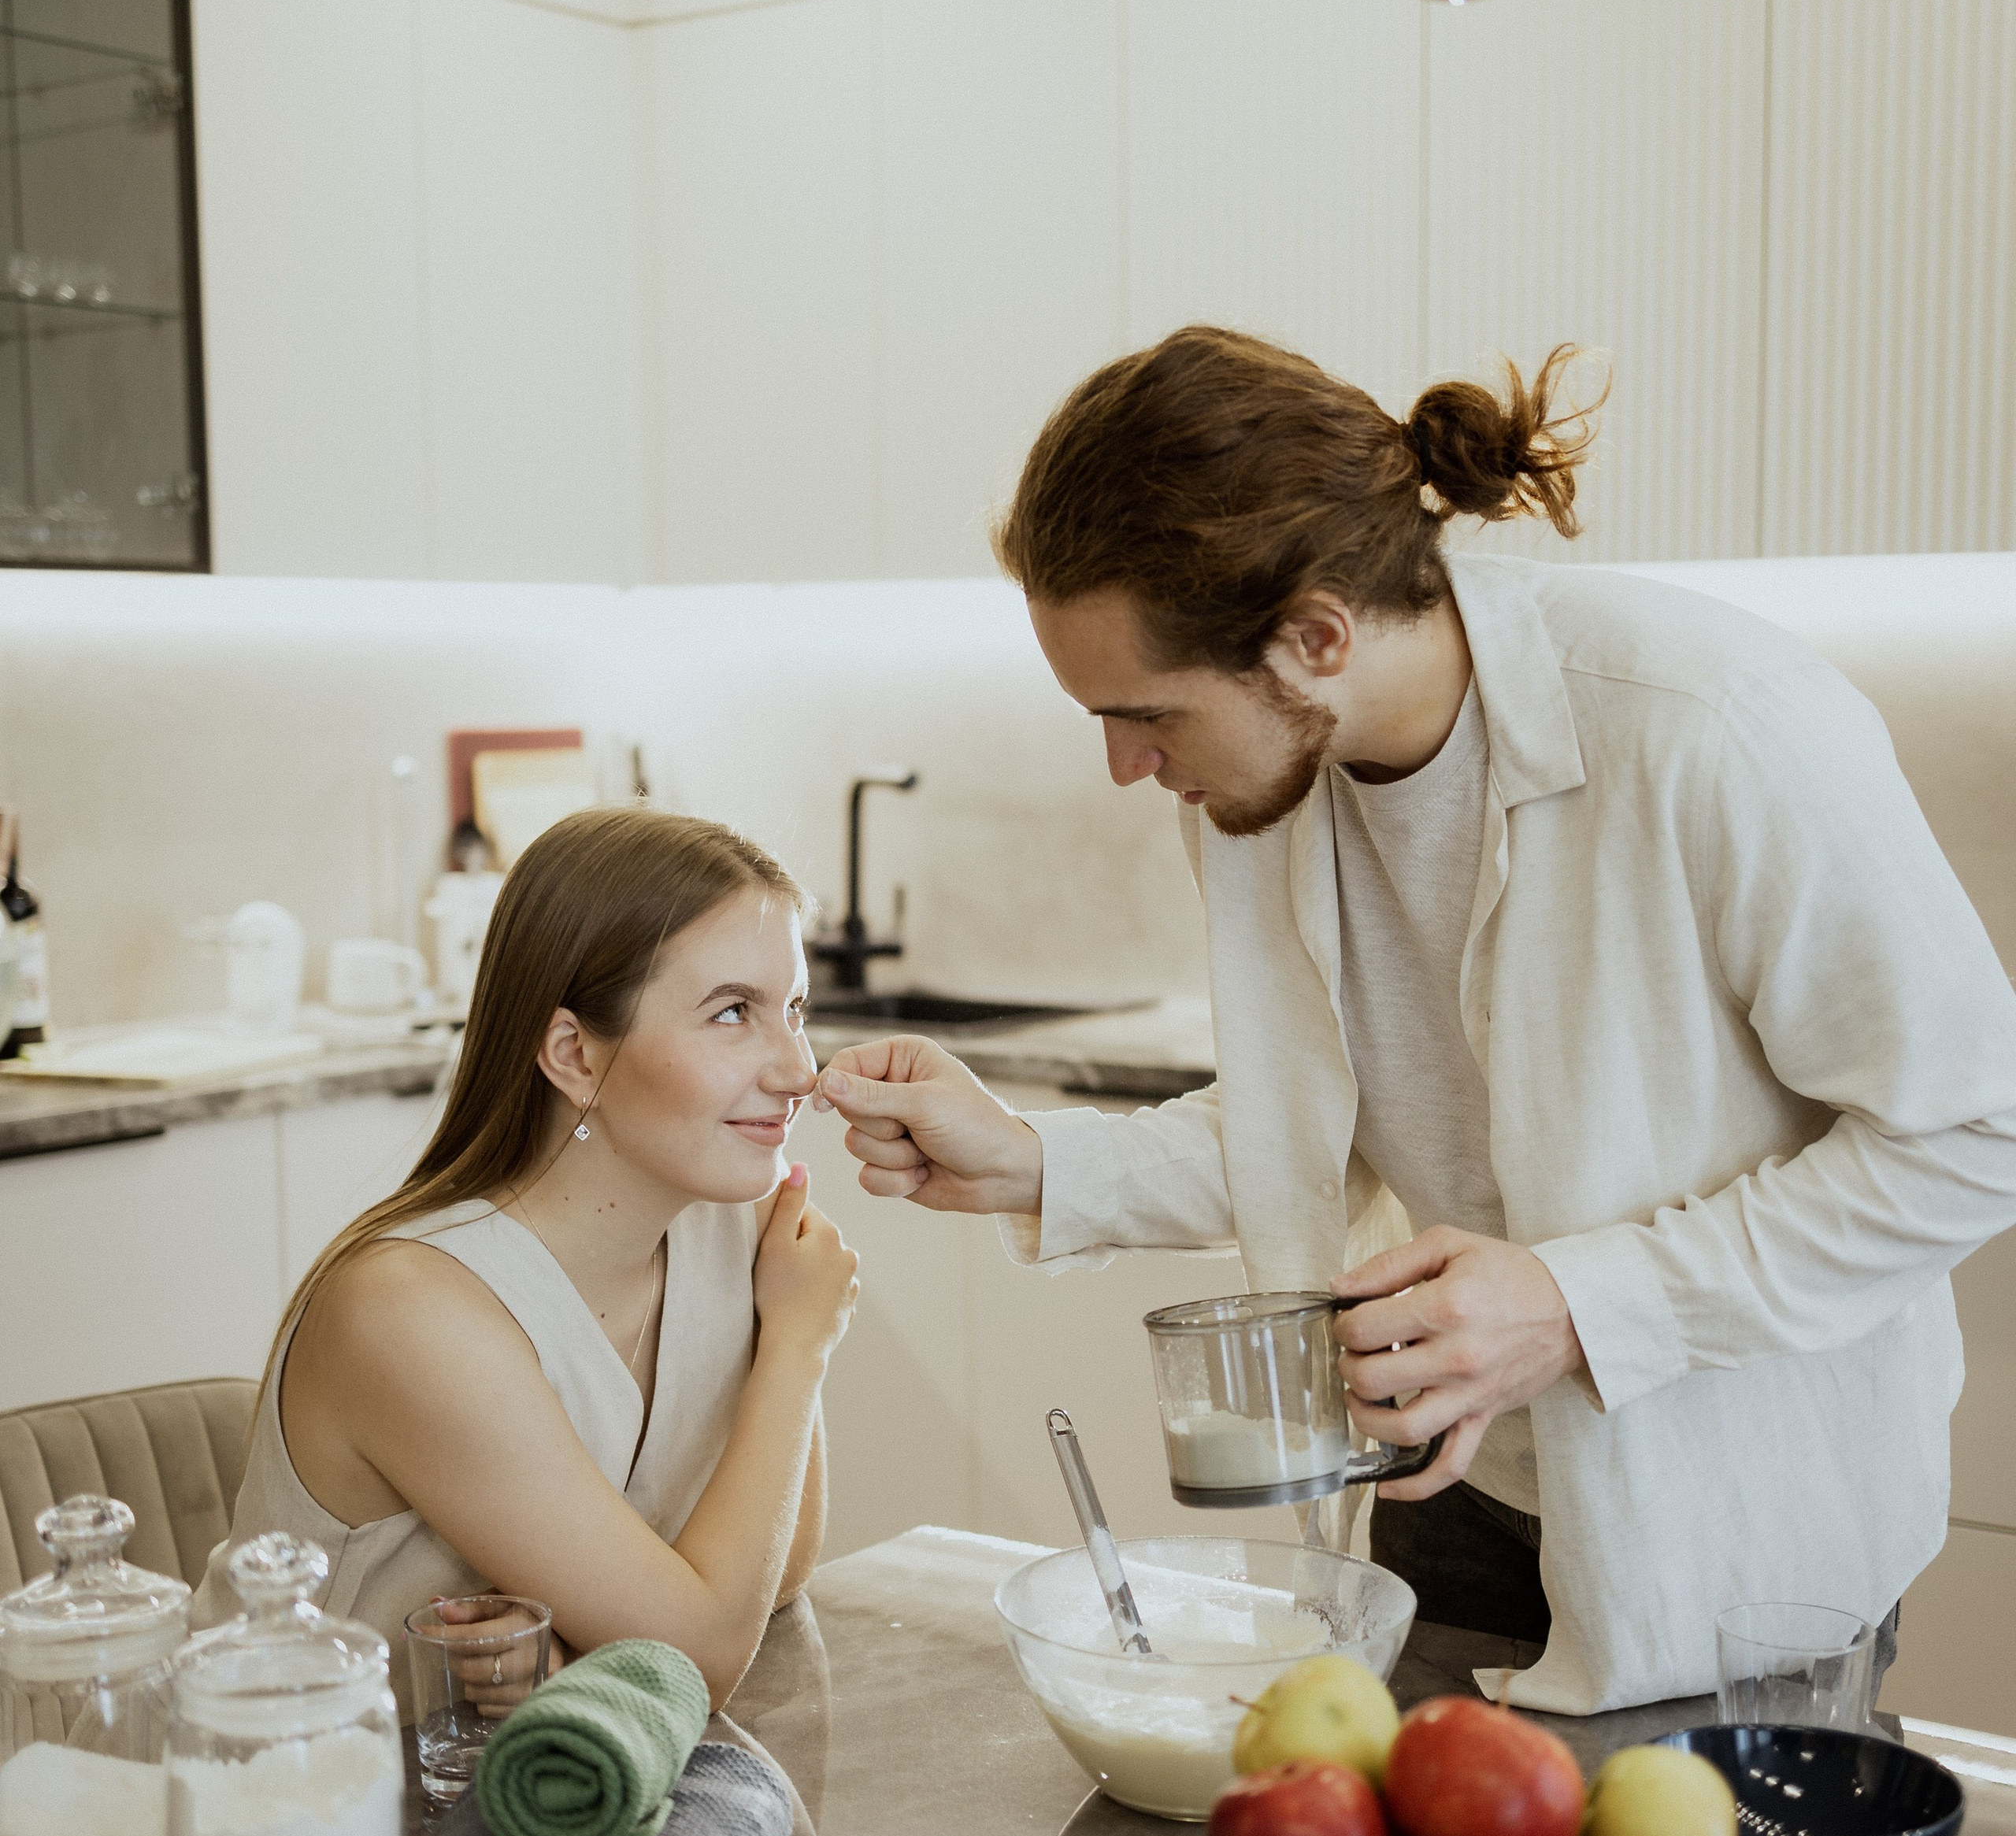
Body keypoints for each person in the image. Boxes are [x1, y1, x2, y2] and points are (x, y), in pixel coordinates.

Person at [814, 327, 2016, 1712]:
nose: (1125, 766)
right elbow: (1329, 1111)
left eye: (1147, 714)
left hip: (1737, 1529)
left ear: (1316, 637)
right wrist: (1036, 1160)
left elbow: (1977, 1131)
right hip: (1457, 1487)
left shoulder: (1711, 726)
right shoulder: (1264, 780)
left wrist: (1576, 1306)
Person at [197, 808, 858, 1712]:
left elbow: (774, 1574)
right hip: (271, 1814)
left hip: (517, 1809)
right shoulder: (408, 1310)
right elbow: (699, 1657)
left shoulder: (721, 1224)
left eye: (795, 1011)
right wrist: (797, 1346)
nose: (798, 1070)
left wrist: (590, 1667)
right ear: (573, 1054)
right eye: (733, 1013)